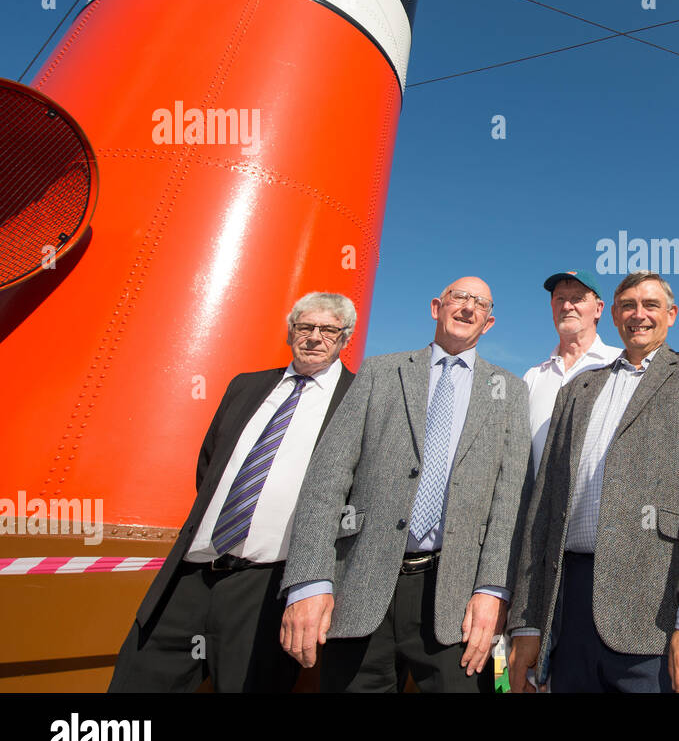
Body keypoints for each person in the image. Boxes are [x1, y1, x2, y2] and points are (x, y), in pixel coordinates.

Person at [279, 278, 530, 693]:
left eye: (480, 304)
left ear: (488, 322)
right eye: (459, 298)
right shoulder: (380, 372)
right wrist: (309, 581)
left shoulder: (510, 391)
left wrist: (492, 590)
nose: (468, 308)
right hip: (360, 587)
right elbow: (327, 478)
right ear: (436, 307)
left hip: (455, 601)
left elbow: (509, 503)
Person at [109, 292, 357, 692]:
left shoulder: (358, 399)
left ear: (344, 337)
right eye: (304, 327)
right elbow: (209, 466)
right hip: (191, 576)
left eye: (327, 330)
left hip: (267, 589)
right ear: (291, 332)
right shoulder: (246, 386)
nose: (314, 337)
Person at [507, 271, 679, 693]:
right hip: (568, 608)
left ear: (672, 314)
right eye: (628, 305)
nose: (639, 315)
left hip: (655, 608)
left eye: (650, 305)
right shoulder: (576, 390)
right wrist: (526, 621)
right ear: (612, 315)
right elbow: (543, 508)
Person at [522, 270, 621, 476]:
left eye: (577, 298)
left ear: (598, 309)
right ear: (552, 307)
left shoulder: (621, 365)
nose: (567, 306)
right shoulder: (532, 377)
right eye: (560, 299)